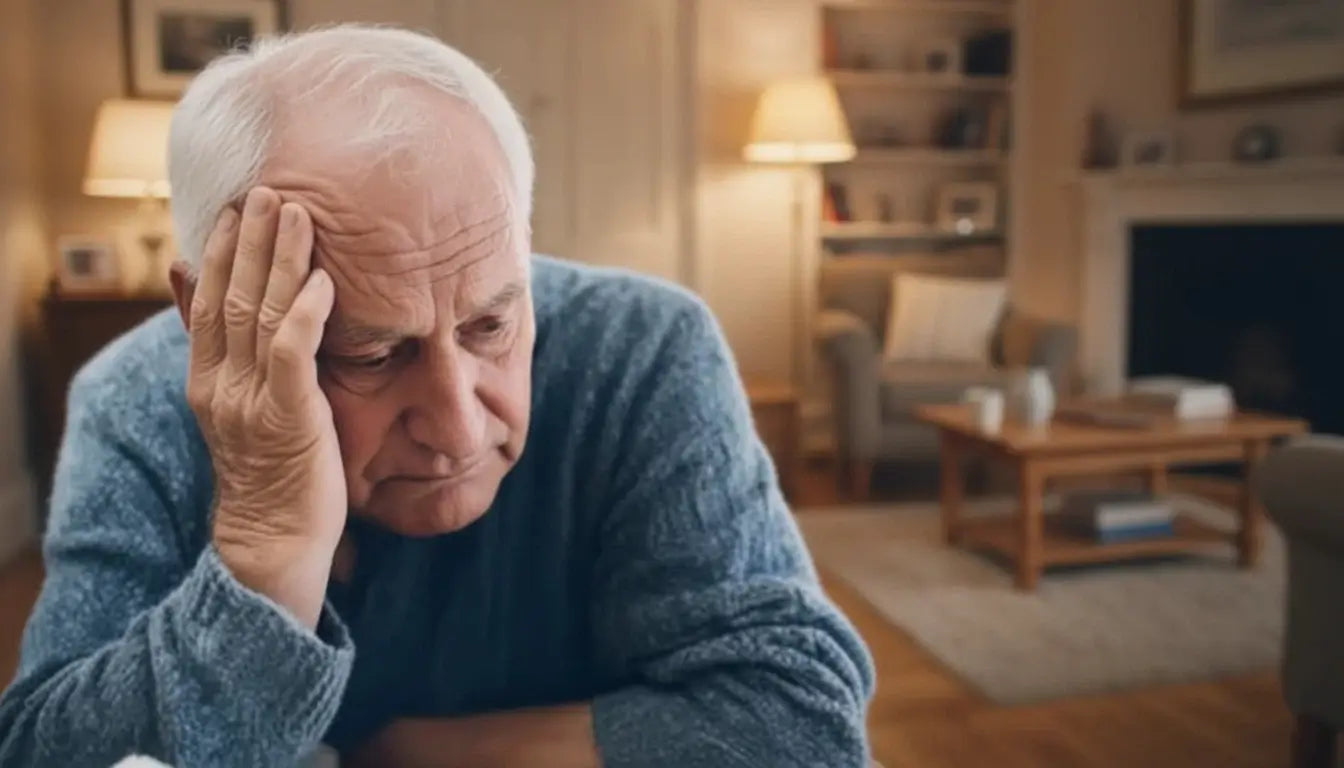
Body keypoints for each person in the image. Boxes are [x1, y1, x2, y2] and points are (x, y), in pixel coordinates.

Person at [0, 25, 873, 767]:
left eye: (491, 325)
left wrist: (395, 753)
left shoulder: (643, 348)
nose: (458, 427)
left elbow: (800, 723)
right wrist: (265, 553)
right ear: (209, 313)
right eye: (372, 354)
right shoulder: (136, 402)